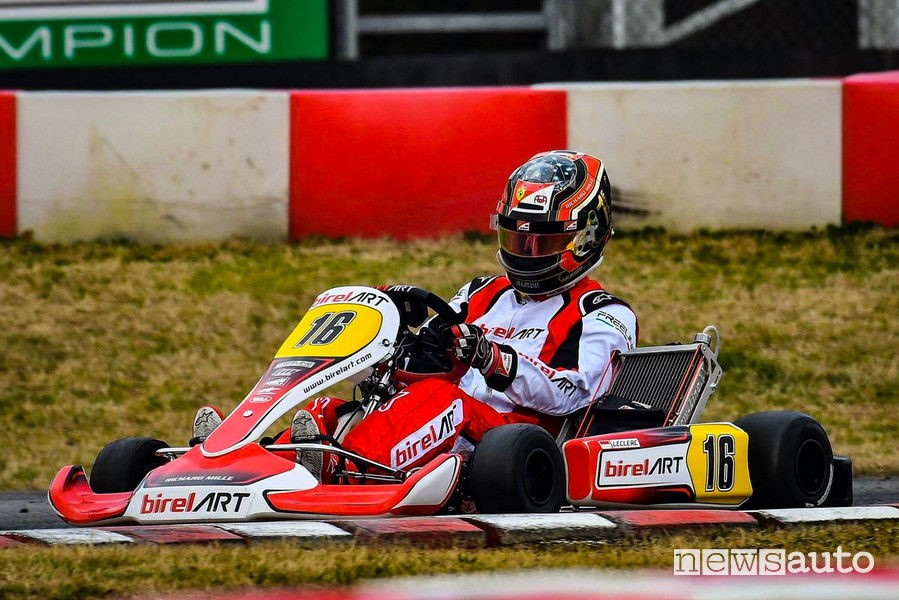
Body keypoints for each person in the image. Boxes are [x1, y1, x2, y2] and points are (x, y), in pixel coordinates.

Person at [194, 150, 638, 480]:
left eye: (542, 242)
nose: (527, 253)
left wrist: (494, 359)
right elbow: (437, 349)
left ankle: (342, 469)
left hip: (509, 443)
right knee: (333, 407)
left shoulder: (603, 315)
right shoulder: (483, 293)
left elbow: (575, 394)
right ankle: (240, 464)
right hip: (445, 423)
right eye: (518, 239)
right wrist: (402, 337)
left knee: (440, 401)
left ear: (586, 237)